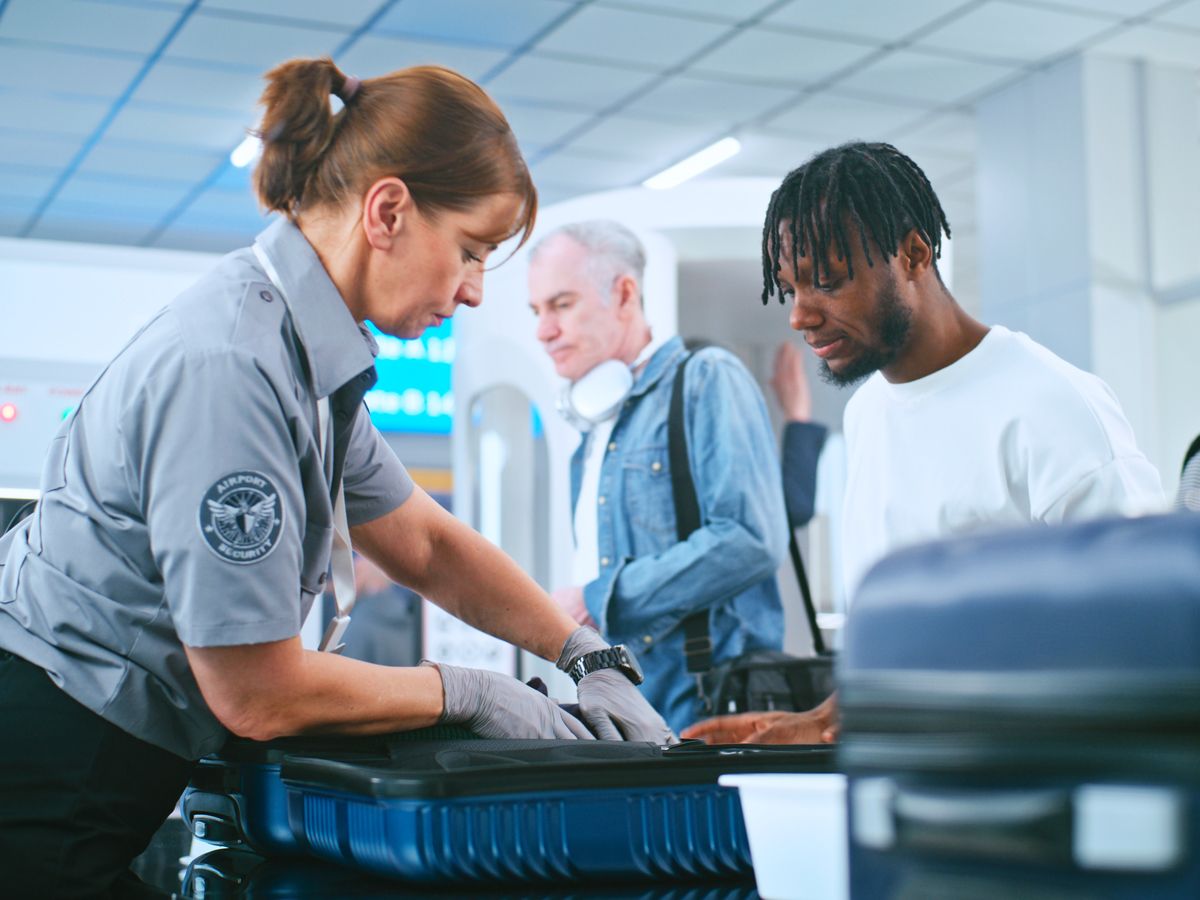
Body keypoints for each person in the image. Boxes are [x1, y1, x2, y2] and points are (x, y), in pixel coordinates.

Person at [0, 59, 670, 898]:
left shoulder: (300, 355)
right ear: (387, 210)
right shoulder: (232, 368)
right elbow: (257, 691)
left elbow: (424, 540)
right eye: (469, 252)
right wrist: (473, 693)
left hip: (91, 758)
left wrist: (583, 653)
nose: (470, 292)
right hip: (43, 759)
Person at [683, 141, 1164, 745]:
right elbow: (900, 640)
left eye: (826, 282)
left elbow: (1143, 640)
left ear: (913, 253)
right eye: (790, 288)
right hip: (916, 784)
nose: (800, 316)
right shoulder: (867, 414)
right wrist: (825, 718)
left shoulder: (1053, 405)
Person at [527, 220, 789, 733]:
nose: (543, 331)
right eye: (537, 312)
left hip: (704, 707)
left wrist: (596, 597)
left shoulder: (706, 378)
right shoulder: (591, 436)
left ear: (624, 293)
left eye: (561, 305)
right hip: (631, 706)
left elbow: (751, 539)